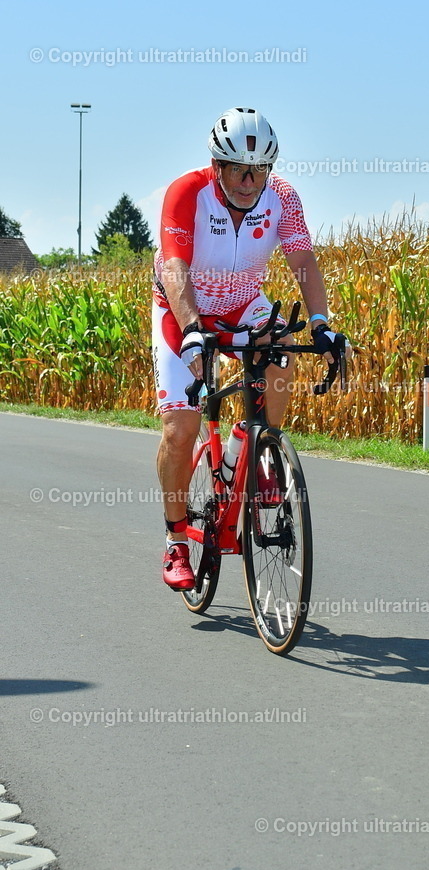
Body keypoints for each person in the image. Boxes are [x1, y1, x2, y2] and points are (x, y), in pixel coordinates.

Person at [152, 107, 345, 590]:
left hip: (244, 306)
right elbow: (174, 267)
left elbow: (303, 261)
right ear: (216, 164)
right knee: (181, 428)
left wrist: (321, 323)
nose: (248, 179)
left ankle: (256, 449)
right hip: (186, 309)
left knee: (282, 349)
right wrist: (193, 326)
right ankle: (177, 541)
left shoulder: (282, 198)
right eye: (237, 168)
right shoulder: (187, 193)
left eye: (259, 169)